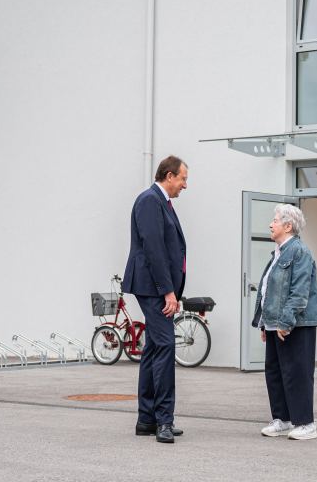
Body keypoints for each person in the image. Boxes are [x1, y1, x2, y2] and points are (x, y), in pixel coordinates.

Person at [122, 155, 188, 443]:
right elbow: (154, 248)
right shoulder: (150, 200)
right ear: (169, 175)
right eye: (183, 179)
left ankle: (146, 419)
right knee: (164, 346)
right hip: (152, 286)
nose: (185, 185)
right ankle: (163, 420)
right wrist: (168, 290)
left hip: (154, 286)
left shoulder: (162, 202)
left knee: (153, 349)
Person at [251, 203, 317, 440]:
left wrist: (285, 321)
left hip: (296, 324)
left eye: (274, 220)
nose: (270, 224)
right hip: (276, 323)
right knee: (275, 372)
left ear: (288, 225)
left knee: (298, 372)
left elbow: (299, 291)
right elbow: (268, 290)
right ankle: (282, 419)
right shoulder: (278, 253)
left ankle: (306, 423)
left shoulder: (299, 251)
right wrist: (265, 322)